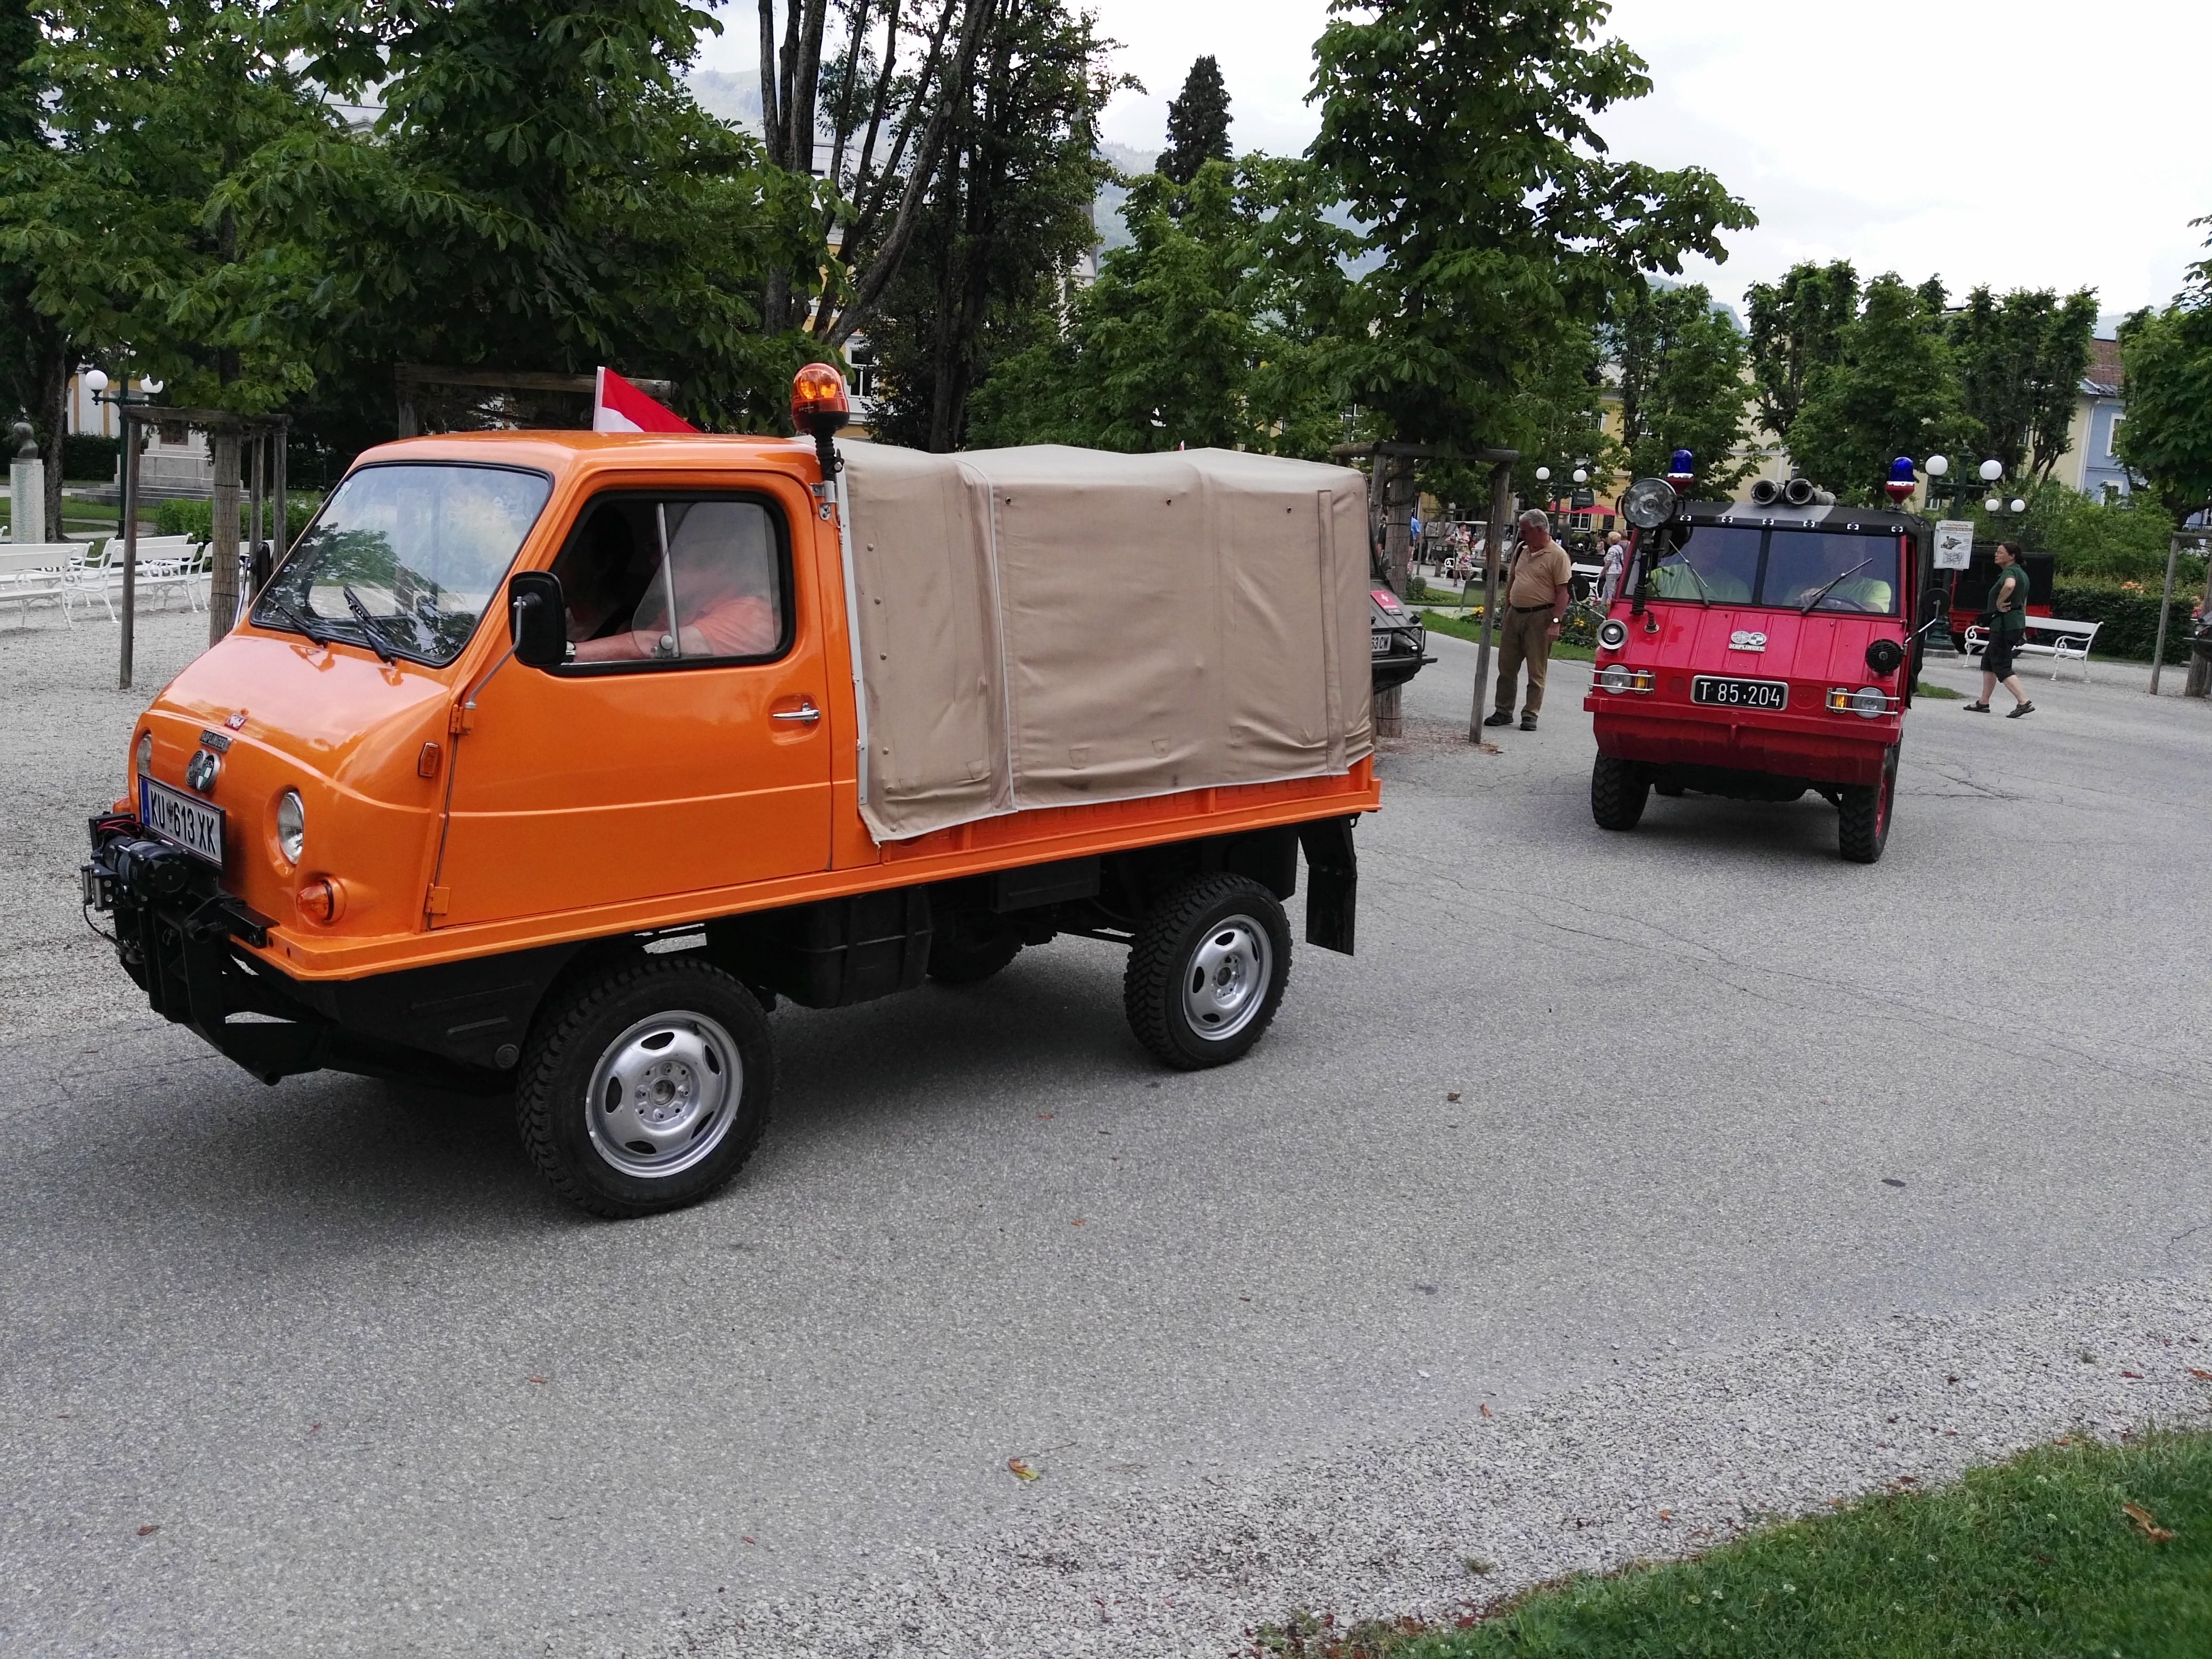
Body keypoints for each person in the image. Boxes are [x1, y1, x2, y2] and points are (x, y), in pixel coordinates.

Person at [1483, 508, 1573, 731]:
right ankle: (1503, 710)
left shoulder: (1558, 556)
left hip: (1540, 616)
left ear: (1540, 530)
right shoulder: (1521, 550)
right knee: (1506, 666)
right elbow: (1513, 581)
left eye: (1525, 531)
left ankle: (1531, 714)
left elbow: (1563, 593)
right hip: (1516, 614)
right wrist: (1507, 611)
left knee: (1536, 669)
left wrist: (1555, 623)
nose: (1520, 535)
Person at [1966, 541, 2034, 717]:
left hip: (2005, 625)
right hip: (2013, 624)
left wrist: (1998, 603)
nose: (1996, 555)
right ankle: (1983, 703)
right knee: (1988, 662)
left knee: (2001, 665)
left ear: (2012, 557)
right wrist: (2022, 627)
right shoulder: (2023, 574)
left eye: (2000, 552)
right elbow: (2023, 603)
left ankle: (2023, 701)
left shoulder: (2010, 572)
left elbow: (2010, 585)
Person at [1597, 530, 1627, 604]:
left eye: (1608, 538)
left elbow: (1608, 562)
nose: (1607, 539)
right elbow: (1622, 560)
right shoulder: (1619, 548)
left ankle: (1611, 604)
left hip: (1612, 571)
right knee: (1606, 588)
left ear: (1611, 539)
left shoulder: (1612, 549)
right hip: (1618, 570)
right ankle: (1602, 604)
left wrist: (1603, 572)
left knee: (1611, 590)